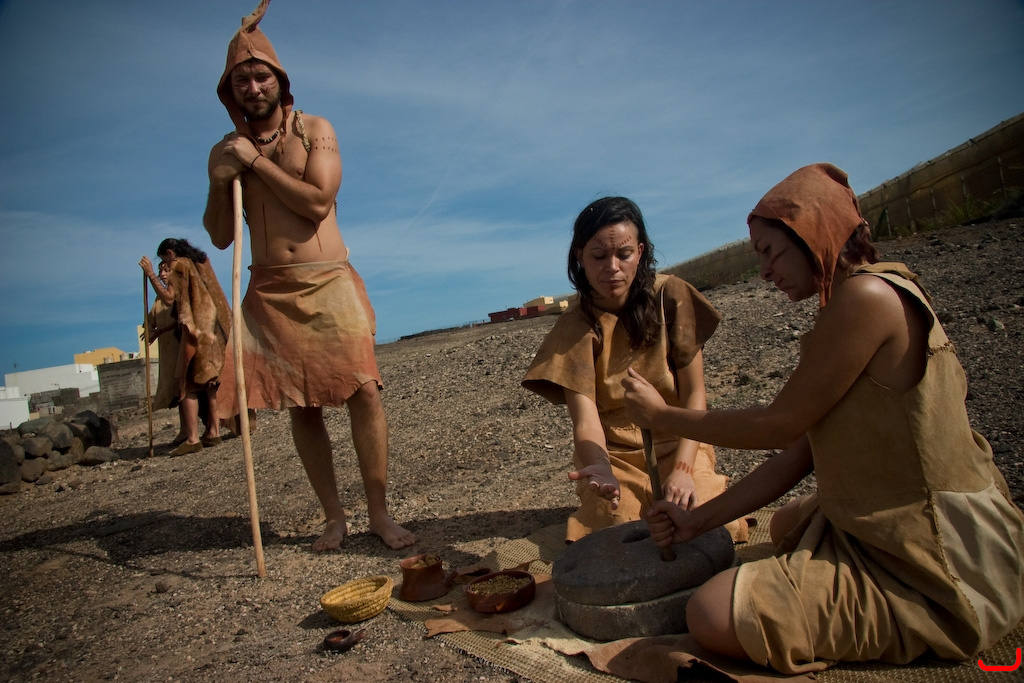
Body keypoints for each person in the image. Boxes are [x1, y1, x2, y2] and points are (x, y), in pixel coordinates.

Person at [623, 163, 1024, 675]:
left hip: (934, 550)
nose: (764, 271)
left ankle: (932, 611)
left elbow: (779, 425)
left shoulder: (867, 298)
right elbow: (801, 453)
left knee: (710, 613)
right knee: (787, 523)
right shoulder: (855, 300)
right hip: (891, 510)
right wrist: (695, 523)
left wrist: (664, 415)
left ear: (813, 234)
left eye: (770, 251)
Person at [202, 3, 415, 552]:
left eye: (261, 76)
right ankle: (334, 518)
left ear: (280, 79)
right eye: (242, 80)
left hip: (328, 279)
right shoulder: (225, 151)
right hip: (270, 288)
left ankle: (379, 513)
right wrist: (221, 177)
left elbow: (319, 202)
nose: (253, 87)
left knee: (364, 390)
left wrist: (254, 163)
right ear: (229, 91)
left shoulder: (316, 130)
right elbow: (221, 236)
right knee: (303, 403)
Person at [522, 197, 747, 543]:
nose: (612, 267)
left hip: (679, 439)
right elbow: (585, 421)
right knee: (619, 533)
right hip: (614, 454)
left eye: (624, 254)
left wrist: (684, 470)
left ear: (640, 252)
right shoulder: (574, 325)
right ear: (580, 256)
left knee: (709, 526)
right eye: (599, 256)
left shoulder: (671, 296)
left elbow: (695, 395)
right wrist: (601, 468)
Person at [140, 238, 232, 455]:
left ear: (170, 253)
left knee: (187, 386)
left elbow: (169, 298)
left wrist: (151, 274)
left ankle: (192, 438)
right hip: (213, 330)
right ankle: (214, 432)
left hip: (195, 331)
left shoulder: (180, 265)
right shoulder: (200, 262)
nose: (165, 266)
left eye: (164, 260)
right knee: (210, 383)